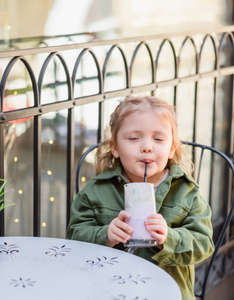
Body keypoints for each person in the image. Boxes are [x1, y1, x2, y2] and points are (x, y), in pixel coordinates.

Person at [67, 96, 214, 300]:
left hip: (168, 293)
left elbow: (203, 243)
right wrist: (105, 235)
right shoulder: (96, 191)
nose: (147, 147)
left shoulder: (187, 192)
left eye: (159, 139)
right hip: (107, 291)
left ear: (171, 148)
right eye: (134, 138)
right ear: (115, 147)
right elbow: (74, 237)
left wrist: (168, 238)